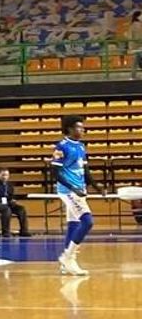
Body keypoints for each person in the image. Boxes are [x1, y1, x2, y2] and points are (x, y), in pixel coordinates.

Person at [52, 115, 94, 277]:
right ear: (69, 128)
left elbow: (86, 171)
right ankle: (67, 257)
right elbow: (55, 173)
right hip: (67, 191)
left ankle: (65, 265)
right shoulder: (61, 147)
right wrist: (73, 189)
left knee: (73, 224)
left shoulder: (81, 147)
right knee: (87, 221)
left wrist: (98, 187)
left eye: (83, 127)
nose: (82, 130)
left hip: (79, 190)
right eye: (78, 127)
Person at [0, 166, 30, 238]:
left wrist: (12, 200)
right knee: (6, 209)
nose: (5, 177)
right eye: (3, 175)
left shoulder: (9, 185)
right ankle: (6, 232)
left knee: (21, 209)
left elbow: (11, 196)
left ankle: (24, 231)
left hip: (7, 203)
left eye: (6, 175)